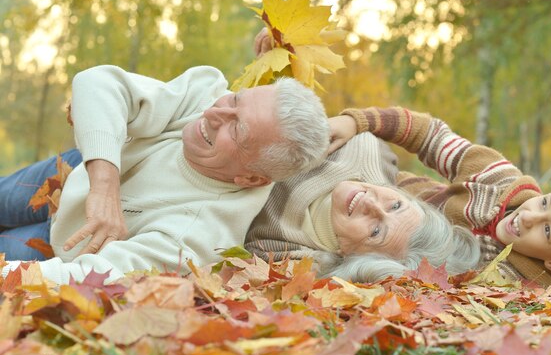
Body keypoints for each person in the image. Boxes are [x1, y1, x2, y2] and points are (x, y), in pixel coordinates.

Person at [0, 64, 330, 284]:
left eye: (237, 128)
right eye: (236, 100)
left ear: (252, 179)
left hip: (63, 248)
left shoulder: (197, 235)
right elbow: (96, 83)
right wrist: (104, 183)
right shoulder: (205, 92)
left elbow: (90, 278)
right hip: (76, 172)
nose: (215, 112)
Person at [327, 106, 551, 286]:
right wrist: (358, 121)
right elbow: (430, 135)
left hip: (366, 241)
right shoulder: (495, 177)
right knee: (352, 150)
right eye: (545, 202)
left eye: (546, 230)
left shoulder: (519, 284)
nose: (528, 217)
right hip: (386, 186)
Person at [244, 130, 481, 283]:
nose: (371, 204)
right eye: (396, 205)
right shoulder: (364, 149)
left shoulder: (286, 255)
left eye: (376, 231)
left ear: (353, 259)